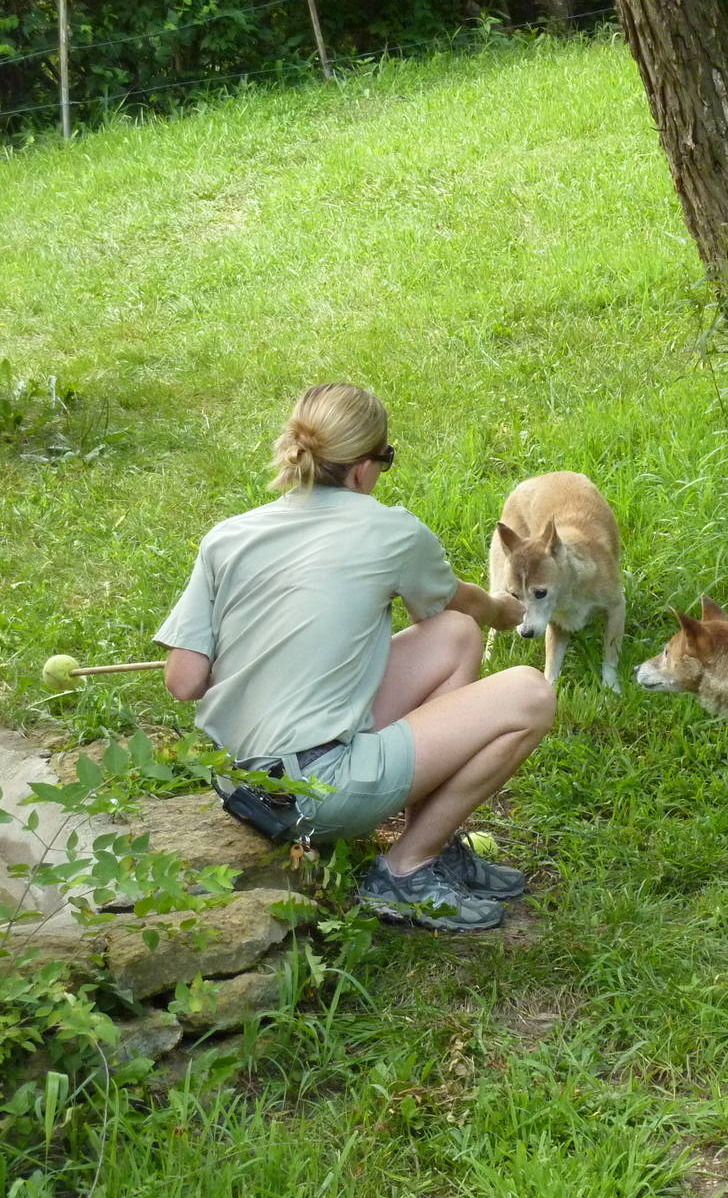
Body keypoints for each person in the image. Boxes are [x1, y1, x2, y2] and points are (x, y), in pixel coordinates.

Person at [155, 383, 555, 933]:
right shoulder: (390, 530)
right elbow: (467, 601)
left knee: (456, 636)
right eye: (386, 458)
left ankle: (430, 846)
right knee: (530, 693)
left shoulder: (228, 537)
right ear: (365, 467)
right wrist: (505, 610)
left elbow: (183, 681)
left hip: (243, 786)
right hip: (316, 792)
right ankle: (405, 872)